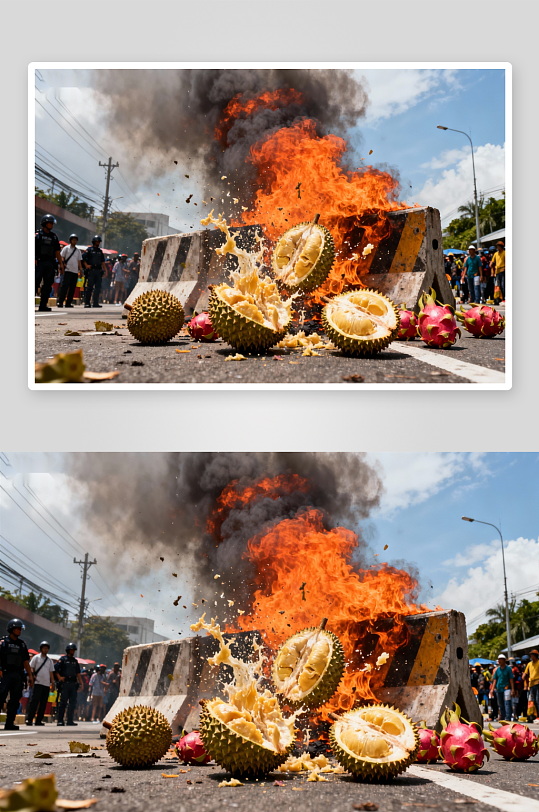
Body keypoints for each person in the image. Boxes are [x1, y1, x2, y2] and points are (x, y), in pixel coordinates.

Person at [0, 619, 34, 730]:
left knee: (15, 700)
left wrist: (30, 676)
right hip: (5, 674)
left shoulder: (22, 645)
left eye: (20, 628)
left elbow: (25, 662)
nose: (19, 630)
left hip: (18, 676)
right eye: (17, 628)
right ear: (11, 629)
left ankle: (9, 723)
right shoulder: (3, 643)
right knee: (1, 697)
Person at [35, 215, 64, 312]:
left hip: (50, 264)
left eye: (52, 223)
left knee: (47, 285)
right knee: (35, 283)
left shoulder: (54, 237)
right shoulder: (37, 235)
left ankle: (43, 305)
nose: (52, 224)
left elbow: (57, 252)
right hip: (39, 263)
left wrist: (61, 265)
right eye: (50, 222)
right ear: (44, 223)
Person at [26, 641, 56, 726]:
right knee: (34, 702)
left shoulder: (49, 660)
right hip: (37, 683)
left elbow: (51, 672)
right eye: (44, 648)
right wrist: (32, 676)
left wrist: (53, 683)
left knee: (43, 703)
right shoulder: (36, 658)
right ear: (41, 648)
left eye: (47, 648)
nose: (45, 650)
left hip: (46, 684)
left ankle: (39, 720)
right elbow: (31, 668)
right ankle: (30, 719)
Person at [55, 643, 83, 726]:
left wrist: (81, 683)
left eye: (74, 650)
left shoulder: (75, 661)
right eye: (71, 650)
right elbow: (55, 668)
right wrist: (59, 677)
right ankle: (60, 720)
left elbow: (78, 673)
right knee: (63, 702)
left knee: (72, 703)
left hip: (73, 684)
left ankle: (70, 720)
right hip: (65, 683)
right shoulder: (63, 659)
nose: (73, 651)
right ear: (68, 650)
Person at [58, 234, 83, 309]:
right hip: (67, 270)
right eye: (73, 240)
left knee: (72, 288)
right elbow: (62, 257)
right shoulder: (66, 248)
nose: (74, 241)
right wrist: (62, 264)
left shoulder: (78, 251)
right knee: (64, 287)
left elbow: (79, 261)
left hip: (75, 272)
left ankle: (68, 303)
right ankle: (61, 302)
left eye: (75, 240)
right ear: (70, 240)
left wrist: (80, 270)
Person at [82, 236, 106, 309]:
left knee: (98, 287)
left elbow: (102, 261)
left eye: (99, 241)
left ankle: (95, 303)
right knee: (89, 287)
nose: (98, 242)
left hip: (98, 271)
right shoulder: (89, 250)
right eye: (97, 241)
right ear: (94, 242)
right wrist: (86, 265)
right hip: (91, 270)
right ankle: (87, 303)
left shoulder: (100, 251)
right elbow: (83, 258)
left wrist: (105, 270)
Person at [491, 654, 515, 721]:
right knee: (501, 704)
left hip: (507, 688)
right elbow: (495, 679)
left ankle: (508, 717)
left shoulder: (508, 669)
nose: (499, 661)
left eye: (500, 659)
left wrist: (512, 689)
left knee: (507, 703)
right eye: (499, 660)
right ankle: (503, 716)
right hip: (499, 689)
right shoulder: (497, 670)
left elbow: (511, 679)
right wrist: (492, 689)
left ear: (504, 660)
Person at [523, 649, 539, 721]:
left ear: (535, 656)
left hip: (538, 683)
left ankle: (538, 716)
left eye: (532, 655)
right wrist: (524, 676)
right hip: (531, 685)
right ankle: (536, 716)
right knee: (534, 701)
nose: (531, 656)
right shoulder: (529, 664)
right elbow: (526, 673)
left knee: (538, 700)